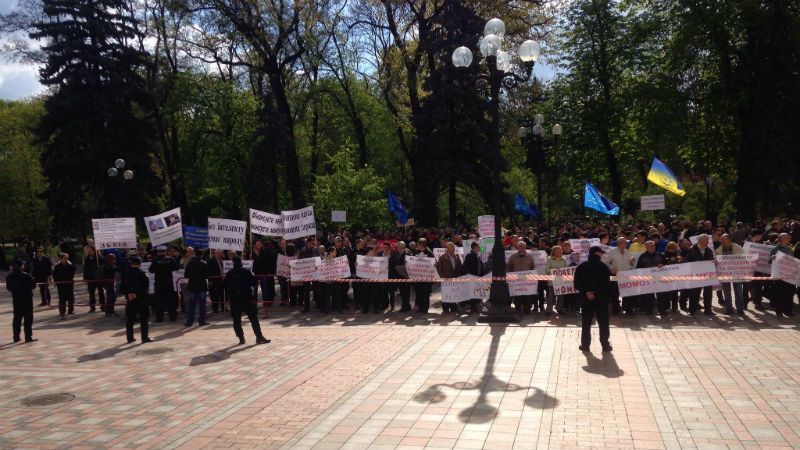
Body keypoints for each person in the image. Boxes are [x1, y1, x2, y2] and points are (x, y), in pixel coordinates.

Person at [573, 246, 612, 352]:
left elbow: (577, 284)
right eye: (600, 253)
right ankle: (605, 345)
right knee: (603, 323)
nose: (602, 255)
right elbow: (606, 284)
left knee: (586, 323)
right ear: (597, 253)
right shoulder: (603, 267)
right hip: (601, 299)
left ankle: (585, 345)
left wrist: (586, 292)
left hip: (586, 299)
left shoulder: (581, 267)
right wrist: (597, 293)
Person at [224, 256, 269, 345]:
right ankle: (259, 336)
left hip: (235, 299)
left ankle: (241, 338)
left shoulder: (229, 274)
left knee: (236, 320)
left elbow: (225, 286)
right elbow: (254, 282)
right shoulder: (245, 272)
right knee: (253, 318)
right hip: (246, 298)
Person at [120, 257, 152, 344]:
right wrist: (137, 294)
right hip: (141, 299)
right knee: (144, 319)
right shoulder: (142, 273)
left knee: (130, 319)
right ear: (139, 264)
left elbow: (122, 286)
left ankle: (130, 338)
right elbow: (145, 287)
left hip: (130, 299)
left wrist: (128, 295)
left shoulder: (126, 274)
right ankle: (144, 337)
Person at [6, 259, 37, 343]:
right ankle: (28, 336)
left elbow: (8, 287)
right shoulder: (25, 275)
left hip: (16, 299)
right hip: (27, 299)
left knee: (17, 318)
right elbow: (33, 285)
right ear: (21, 266)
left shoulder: (9, 276)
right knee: (28, 318)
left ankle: (16, 337)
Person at [149, 245, 180, 322]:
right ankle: (173, 317)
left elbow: (151, 270)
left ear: (158, 252)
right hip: (169, 283)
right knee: (170, 301)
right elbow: (177, 267)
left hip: (159, 284)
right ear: (165, 251)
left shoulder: (155, 260)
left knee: (159, 301)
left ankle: (159, 319)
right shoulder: (170, 259)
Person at [716, 234, 745, 315]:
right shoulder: (719, 249)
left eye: (723, 239)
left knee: (738, 291)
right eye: (721, 239)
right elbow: (716, 257)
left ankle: (740, 309)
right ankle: (729, 308)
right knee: (726, 292)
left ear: (728, 239)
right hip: (725, 273)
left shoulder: (737, 247)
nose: (721, 241)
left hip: (736, 273)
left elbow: (743, 257)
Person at [686, 234, 715, 316]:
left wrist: (714, 262)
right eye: (706, 240)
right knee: (695, 293)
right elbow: (687, 262)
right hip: (696, 275)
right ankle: (692, 310)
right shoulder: (691, 250)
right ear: (701, 241)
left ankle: (708, 310)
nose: (708, 241)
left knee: (708, 293)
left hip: (707, 275)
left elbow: (711, 260)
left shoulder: (709, 250)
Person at [635, 241, 664, 316]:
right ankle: (649, 311)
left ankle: (662, 311)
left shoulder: (660, 255)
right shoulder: (642, 256)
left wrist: (663, 265)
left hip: (659, 279)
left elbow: (666, 266)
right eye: (650, 246)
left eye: (653, 246)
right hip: (647, 279)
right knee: (648, 296)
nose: (652, 247)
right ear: (646, 247)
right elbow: (638, 267)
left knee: (660, 296)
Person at [770, 233, 795, 318]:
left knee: (789, 293)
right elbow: (770, 261)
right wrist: (772, 258)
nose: (788, 239)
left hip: (789, 276)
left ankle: (788, 311)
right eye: (786, 238)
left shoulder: (790, 249)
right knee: (779, 294)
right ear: (781, 239)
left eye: (788, 238)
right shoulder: (775, 249)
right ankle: (779, 311)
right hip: (779, 276)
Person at [507, 241, 535, 314]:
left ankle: (527, 309)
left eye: (523, 246)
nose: (522, 247)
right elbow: (509, 266)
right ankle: (518, 309)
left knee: (527, 296)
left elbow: (533, 266)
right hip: (516, 281)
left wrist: (533, 272)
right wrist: (511, 275)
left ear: (525, 247)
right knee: (517, 296)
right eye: (520, 246)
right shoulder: (513, 256)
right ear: (517, 247)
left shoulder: (530, 256)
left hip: (527, 280)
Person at [183, 247, 209, 327]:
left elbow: (186, 275)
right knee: (202, 304)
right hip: (201, 286)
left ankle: (189, 322)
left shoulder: (190, 263)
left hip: (192, 286)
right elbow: (206, 275)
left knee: (192, 304)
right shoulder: (204, 263)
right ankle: (202, 321)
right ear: (201, 255)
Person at [607, 237, 633, 315]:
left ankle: (628, 310)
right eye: (624, 242)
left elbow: (631, 264)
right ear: (620, 243)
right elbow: (606, 263)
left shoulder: (628, 252)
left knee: (627, 293)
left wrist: (632, 262)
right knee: (614, 293)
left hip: (626, 275)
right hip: (614, 275)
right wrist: (612, 268)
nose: (626, 244)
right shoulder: (611, 252)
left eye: (625, 243)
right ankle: (616, 310)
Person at [436, 242, 463, 313]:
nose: (453, 249)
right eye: (452, 247)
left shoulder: (457, 256)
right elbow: (439, 269)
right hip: (446, 279)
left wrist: (459, 277)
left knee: (453, 294)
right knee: (446, 294)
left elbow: (459, 267)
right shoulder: (442, 257)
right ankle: (445, 308)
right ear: (447, 248)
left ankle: (453, 307)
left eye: (454, 247)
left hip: (454, 279)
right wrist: (443, 277)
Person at [413, 238, 434, 314]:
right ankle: (419, 307)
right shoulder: (416, 252)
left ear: (422, 245)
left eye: (418, 244)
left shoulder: (429, 253)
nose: (417, 246)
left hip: (426, 278)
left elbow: (432, 264)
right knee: (418, 293)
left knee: (425, 293)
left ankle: (425, 308)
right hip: (418, 278)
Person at [462, 241, 484, 314]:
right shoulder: (469, 255)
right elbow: (465, 266)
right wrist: (469, 276)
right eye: (478, 246)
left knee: (476, 292)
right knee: (472, 293)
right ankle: (473, 308)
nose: (479, 248)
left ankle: (475, 307)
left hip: (477, 277)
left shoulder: (477, 255)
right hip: (472, 278)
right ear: (474, 247)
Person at [389, 242, 412, 312]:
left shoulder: (406, 252)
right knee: (404, 292)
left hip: (404, 276)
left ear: (401, 247)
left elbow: (407, 264)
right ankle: (407, 306)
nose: (397, 248)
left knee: (405, 292)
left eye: (398, 247)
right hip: (403, 276)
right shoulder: (404, 252)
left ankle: (405, 307)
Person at [52, 253, 76, 318]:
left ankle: (70, 310)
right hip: (61, 285)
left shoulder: (70, 265)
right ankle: (62, 312)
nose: (66, 259)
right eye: (65, 258)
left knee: (70, 298)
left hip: (69, 284)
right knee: (62, 299)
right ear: (61, 259)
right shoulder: (57, 267)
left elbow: (73, 273)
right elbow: (55, 276)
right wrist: (57, 283)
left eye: (67, 258)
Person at [83, 245, 104, 312]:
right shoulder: (87, 259)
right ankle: (92, 307)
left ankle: (103, 306)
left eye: (90, 250)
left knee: (101, 292)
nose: (88, 251)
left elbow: (102, 265)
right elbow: (85, 269)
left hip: (98, 277)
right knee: (91, 293)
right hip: (90, 278)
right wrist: (85, 278)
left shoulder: (99, 258)